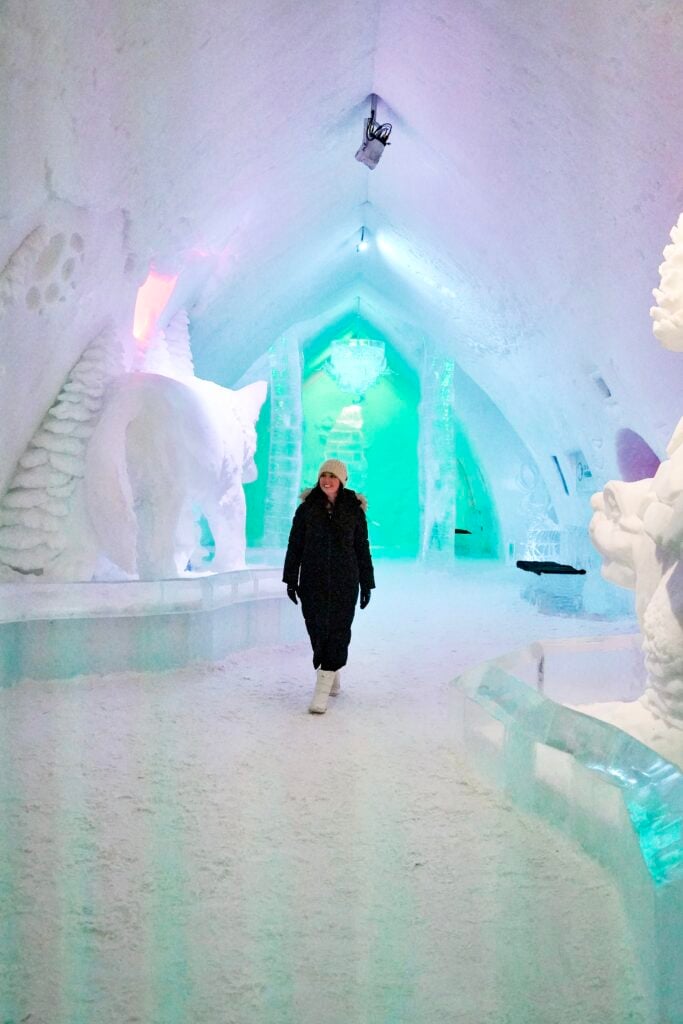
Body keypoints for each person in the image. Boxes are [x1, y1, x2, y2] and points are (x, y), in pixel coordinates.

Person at [283, 458, 375, 714]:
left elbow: (362, 548)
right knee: (316, 627)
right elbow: (295, 545)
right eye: (324, 475)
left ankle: (322, 688)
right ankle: (331, 672)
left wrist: (367, 583)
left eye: (332, 476)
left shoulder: (354, 510)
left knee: (338, 629)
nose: (327, 480)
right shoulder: (307, 509)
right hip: (313, 580)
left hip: (345, 580)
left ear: (342, 480)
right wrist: (291, 578)